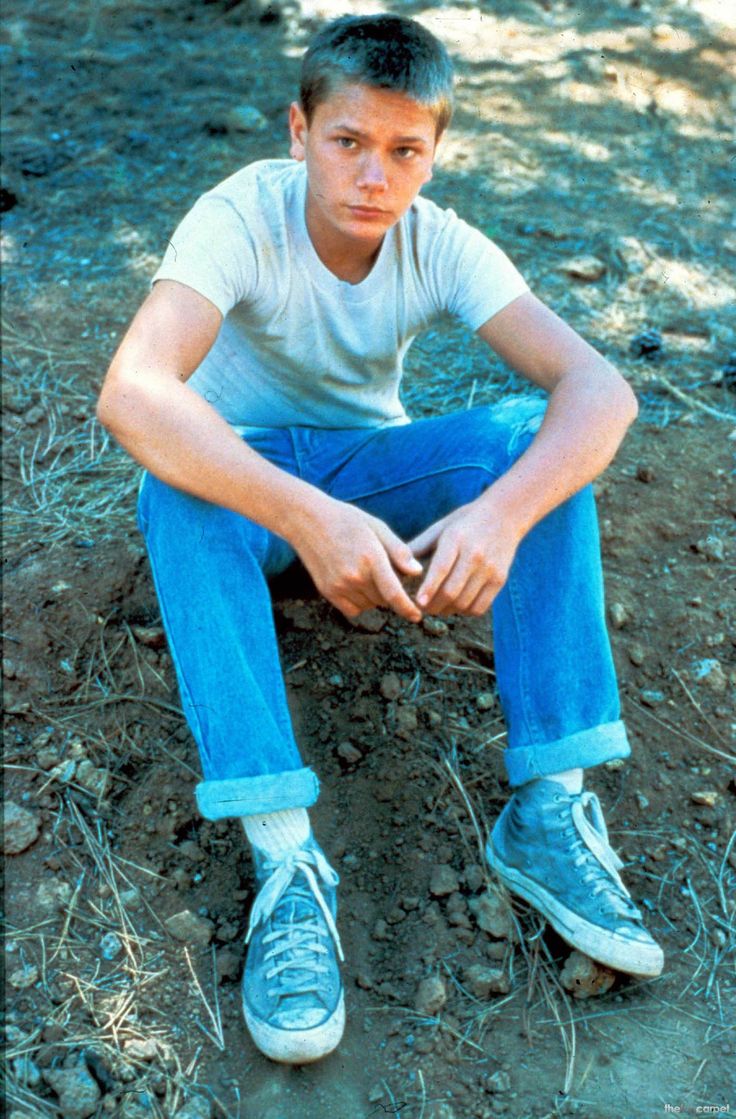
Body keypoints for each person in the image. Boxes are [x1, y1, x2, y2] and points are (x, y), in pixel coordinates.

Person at [97, 13, 663, 1066]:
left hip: (374, 475)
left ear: (434, 153)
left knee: (529, 448)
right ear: (299, 129)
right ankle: (285, 861)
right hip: (249, 489)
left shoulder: (435, 239)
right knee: (172, 493)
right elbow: (134, 393)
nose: (374, 174)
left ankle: (550, 803)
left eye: (406, 150)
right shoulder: (240, 215)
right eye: (348, 141)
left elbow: (599, 389)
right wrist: (308, 517)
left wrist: (498, 513)